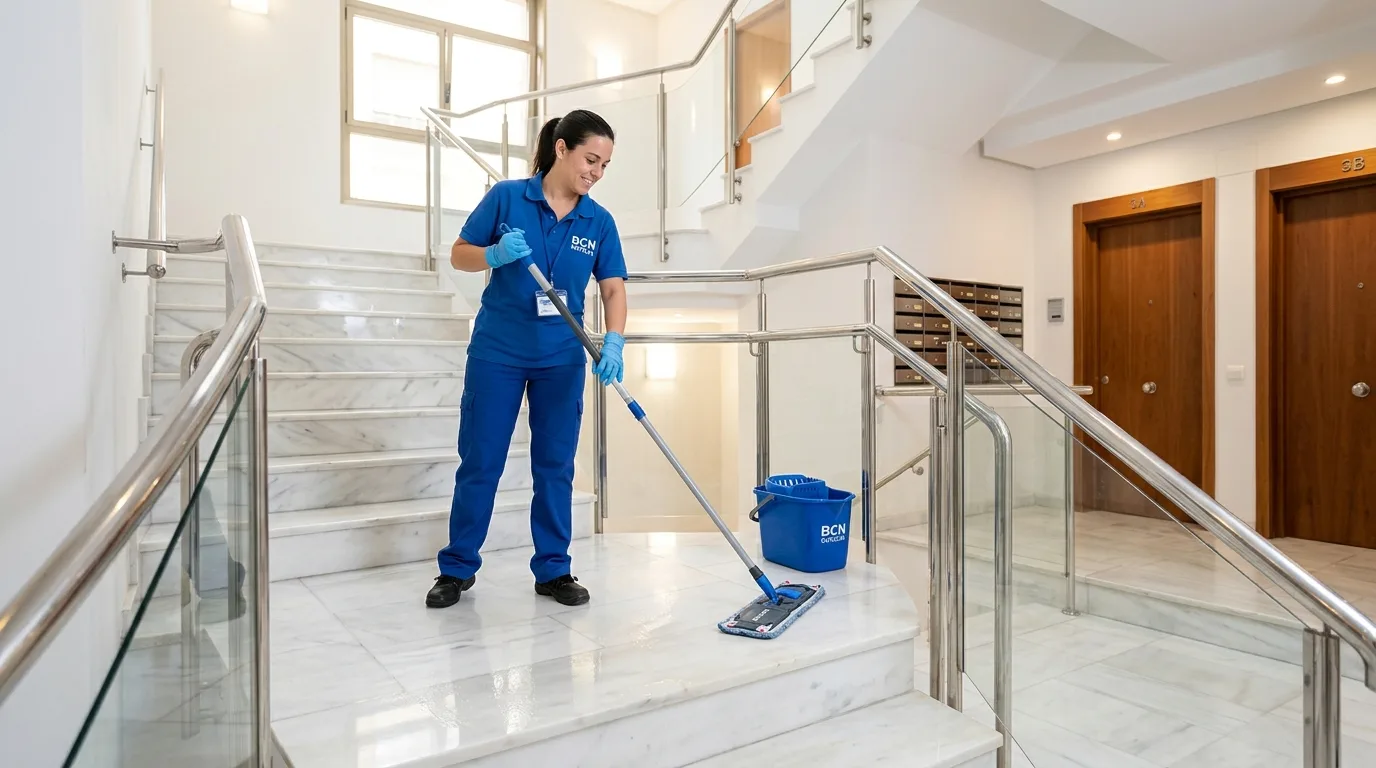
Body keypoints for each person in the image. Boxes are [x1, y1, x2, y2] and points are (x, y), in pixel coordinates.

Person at [426, 110, 628, 609]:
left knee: (555, 465)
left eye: (604, 165)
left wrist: (615, 340)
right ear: (561, 148)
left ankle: (554, 571)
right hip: (498, 352)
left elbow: (613, 286)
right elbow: (459, 253)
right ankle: (456, 568)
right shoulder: (507, 197)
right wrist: (493, 253)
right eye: (590, 159)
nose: (596, 173)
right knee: (481, 461)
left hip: (562, 356)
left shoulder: (598, 221)